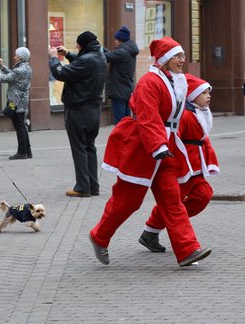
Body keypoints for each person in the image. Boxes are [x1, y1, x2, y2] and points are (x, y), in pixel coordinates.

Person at [89, 37, 212, 267]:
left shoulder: (175, 80)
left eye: (183, 56)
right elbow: (148, 117)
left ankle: (187, 250)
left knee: (172, 201)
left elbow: (176, 113)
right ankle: (99, 236)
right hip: (142, 149)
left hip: (164, 150)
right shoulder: (149, 82)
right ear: (165, 59)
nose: (182, 60)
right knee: (127, 201)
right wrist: (158, 146)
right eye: (178, 56)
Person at [139, 73, 219, 252]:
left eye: (209, 92)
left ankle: (155, 229)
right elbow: (173, 138)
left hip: (196, 167)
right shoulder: (184, 116)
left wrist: (210, 160)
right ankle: (151, 232)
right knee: (173, 202)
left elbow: (204, 140)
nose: (208, 96)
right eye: (204, 92)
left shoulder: (202, 113)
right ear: (192, 95)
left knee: (204, 195)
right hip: (182, 167)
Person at [49, 31, 106, 197]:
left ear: (84, 45)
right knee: (89, 147)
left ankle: (82, 187)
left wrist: (54, 58)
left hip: (79, 110)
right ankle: (93, 186)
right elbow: (82, 64)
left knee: (79, 148)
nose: (76, 47)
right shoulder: (100, 56)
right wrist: (68, 55)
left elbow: (61, 73)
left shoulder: (86, 60)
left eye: (78, 45)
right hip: (94, 110)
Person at [0, 47, 33, 160]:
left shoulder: (20, 70)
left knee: (19, 126)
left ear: (21, 57)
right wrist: (2, 66)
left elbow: (2, 78)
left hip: (16, 101)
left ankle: (22, 152)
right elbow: (12, 75)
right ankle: (27, 151)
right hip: (22, 101)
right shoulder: (26, 67)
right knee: (22, 126)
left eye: (16, 55)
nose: (15, 57)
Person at [103, 26, 139, 124]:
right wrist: (100, 48)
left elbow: (105, 57)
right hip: (126, 90)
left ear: (121, 40)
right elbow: (113, 54)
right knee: (127, 122)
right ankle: (127, 139)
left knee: (120, 124)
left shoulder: (122, 52)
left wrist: (95, 48)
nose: (115, 41)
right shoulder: (128, 51)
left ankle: (121, 139)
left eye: (116, 39)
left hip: (119, 92)